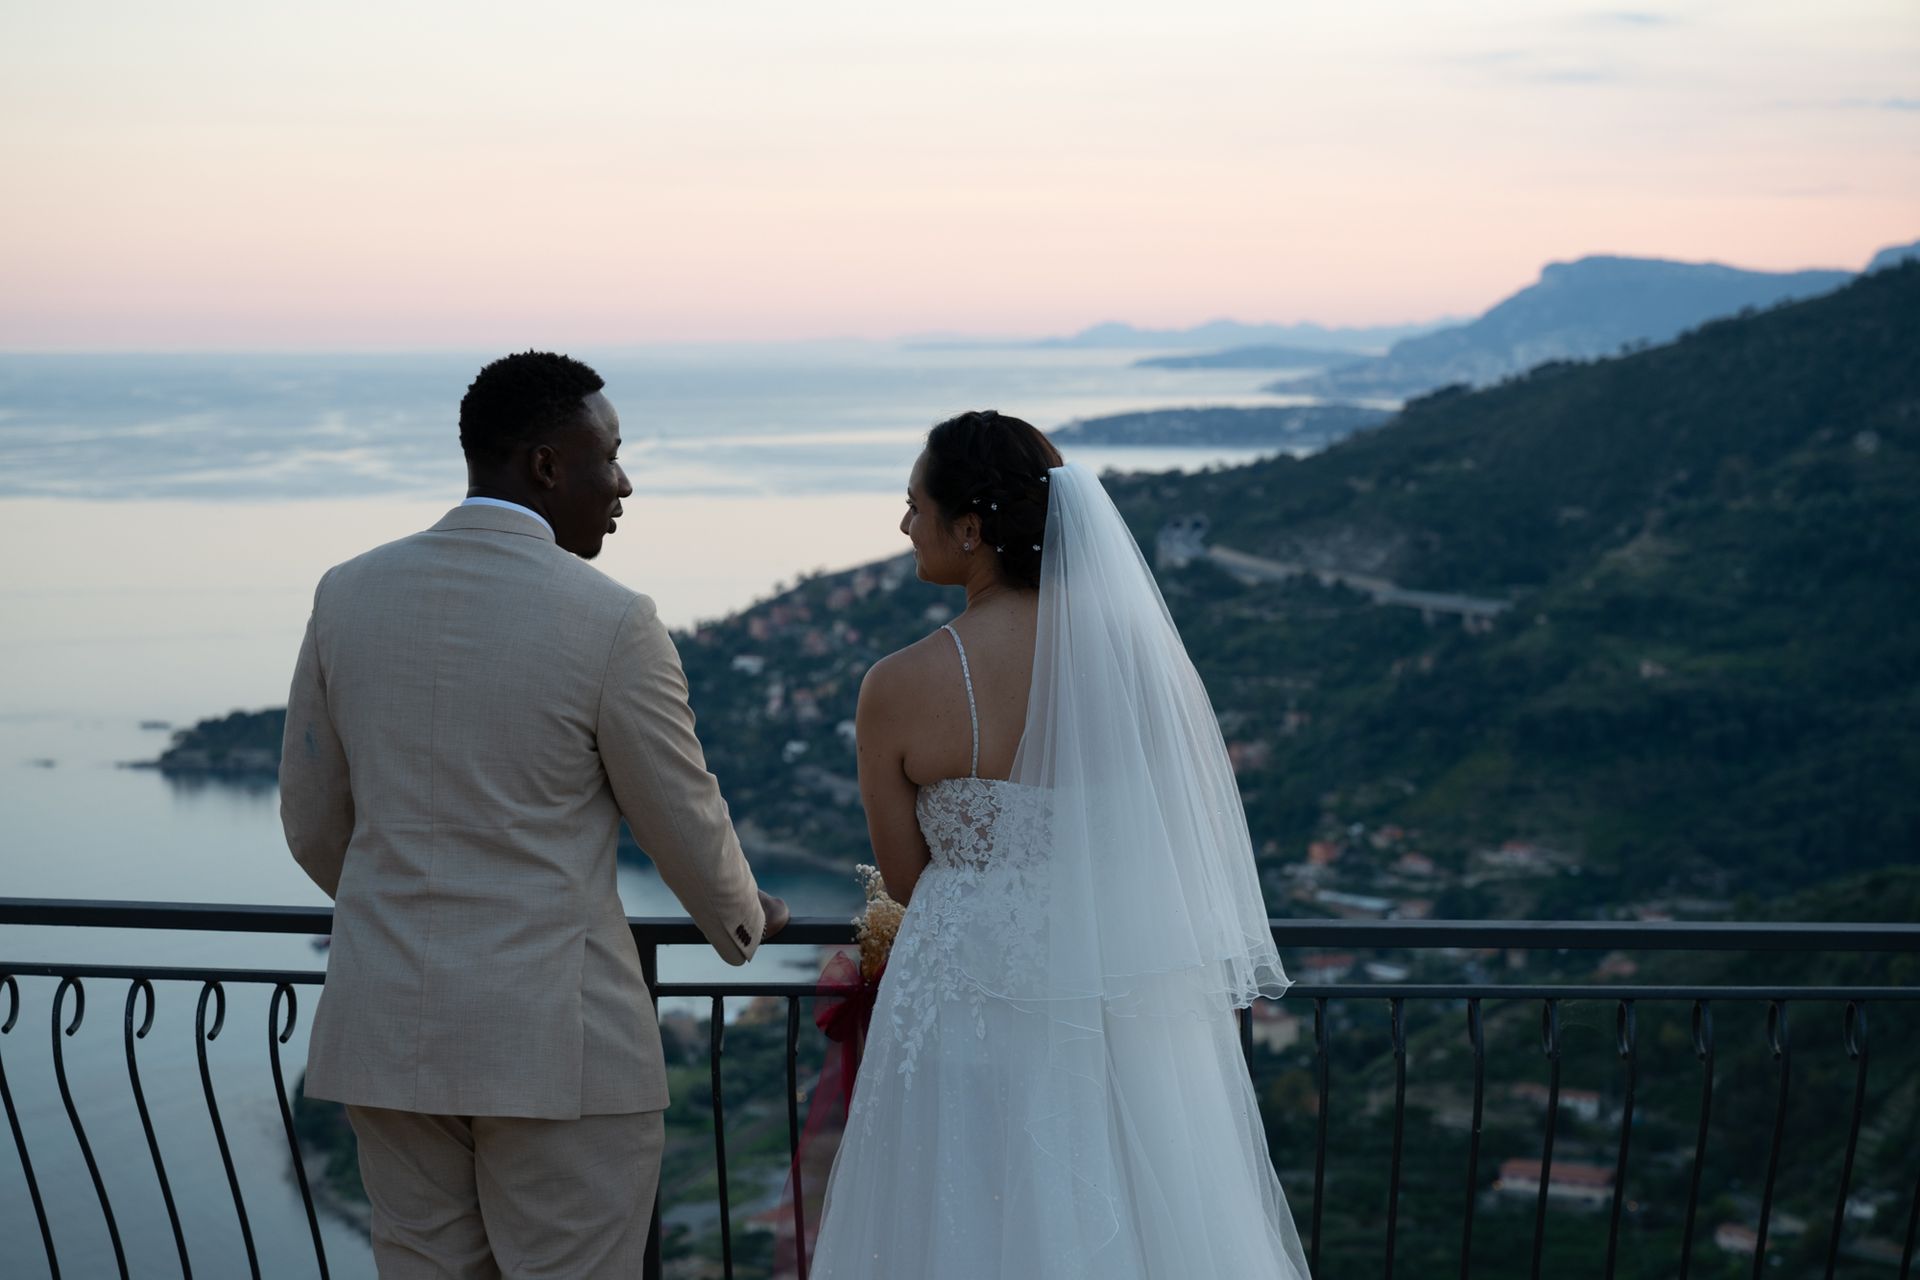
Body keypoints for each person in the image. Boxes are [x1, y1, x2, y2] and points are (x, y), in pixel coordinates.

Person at [279, 350, 788, 1278]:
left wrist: (408, 907)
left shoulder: (346, 592)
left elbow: (313, 821)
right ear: (548, 466)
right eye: (612, 455)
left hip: (389, 1027)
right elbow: (683, 816)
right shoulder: (610, 619)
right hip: (557, 1044)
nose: (624, 482)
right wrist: (745, 921)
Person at [808, 411, 1311, 1278]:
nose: (903, 527)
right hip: (1114, 984)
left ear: (970, 528)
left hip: (964, 986)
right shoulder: (1135, 668)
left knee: (958, 1205)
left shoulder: (897, 685)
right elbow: (1164, 838)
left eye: (913, 506)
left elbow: (903, 876)